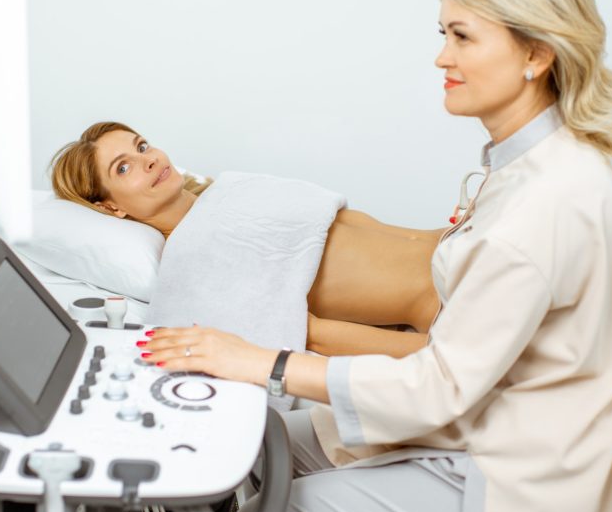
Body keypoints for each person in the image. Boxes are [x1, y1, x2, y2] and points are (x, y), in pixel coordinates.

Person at [142, 0, 612, 512]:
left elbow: (436, 387)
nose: (442, 56)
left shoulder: (536, 208)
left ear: (536, 53)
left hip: (520, 485)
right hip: (500, 419)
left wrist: (259, 360)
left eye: (463, 37)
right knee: (260, 447)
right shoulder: (558, 163)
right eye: (444, 33)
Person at [51, 121, 448, 358]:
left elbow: (355, 225)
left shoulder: (232, 189)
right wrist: (441, 356)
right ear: (109, 208)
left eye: (142, 146)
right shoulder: (191, 263)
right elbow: (308, 335)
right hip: (452, 303)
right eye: (124, 167)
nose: (148, 159)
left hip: (467, 247)